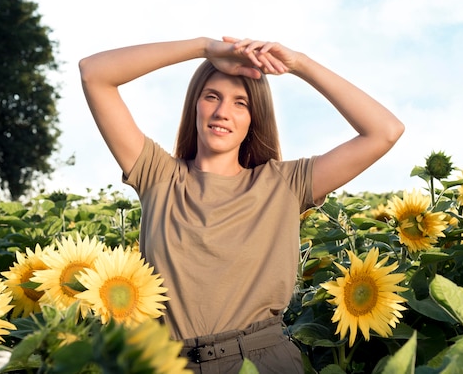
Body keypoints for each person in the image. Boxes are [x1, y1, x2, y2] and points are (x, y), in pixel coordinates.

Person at [79, 37, 404, 373]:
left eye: (240, 103)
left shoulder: (284, 184)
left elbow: (384, 131)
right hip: (167, 364)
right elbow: (94, 73)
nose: (222, 112)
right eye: (211, 97)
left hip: (261, 361)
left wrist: (301, 64)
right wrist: (204, 48)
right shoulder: (158, 175)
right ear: (195, 105)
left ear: (254, 118)